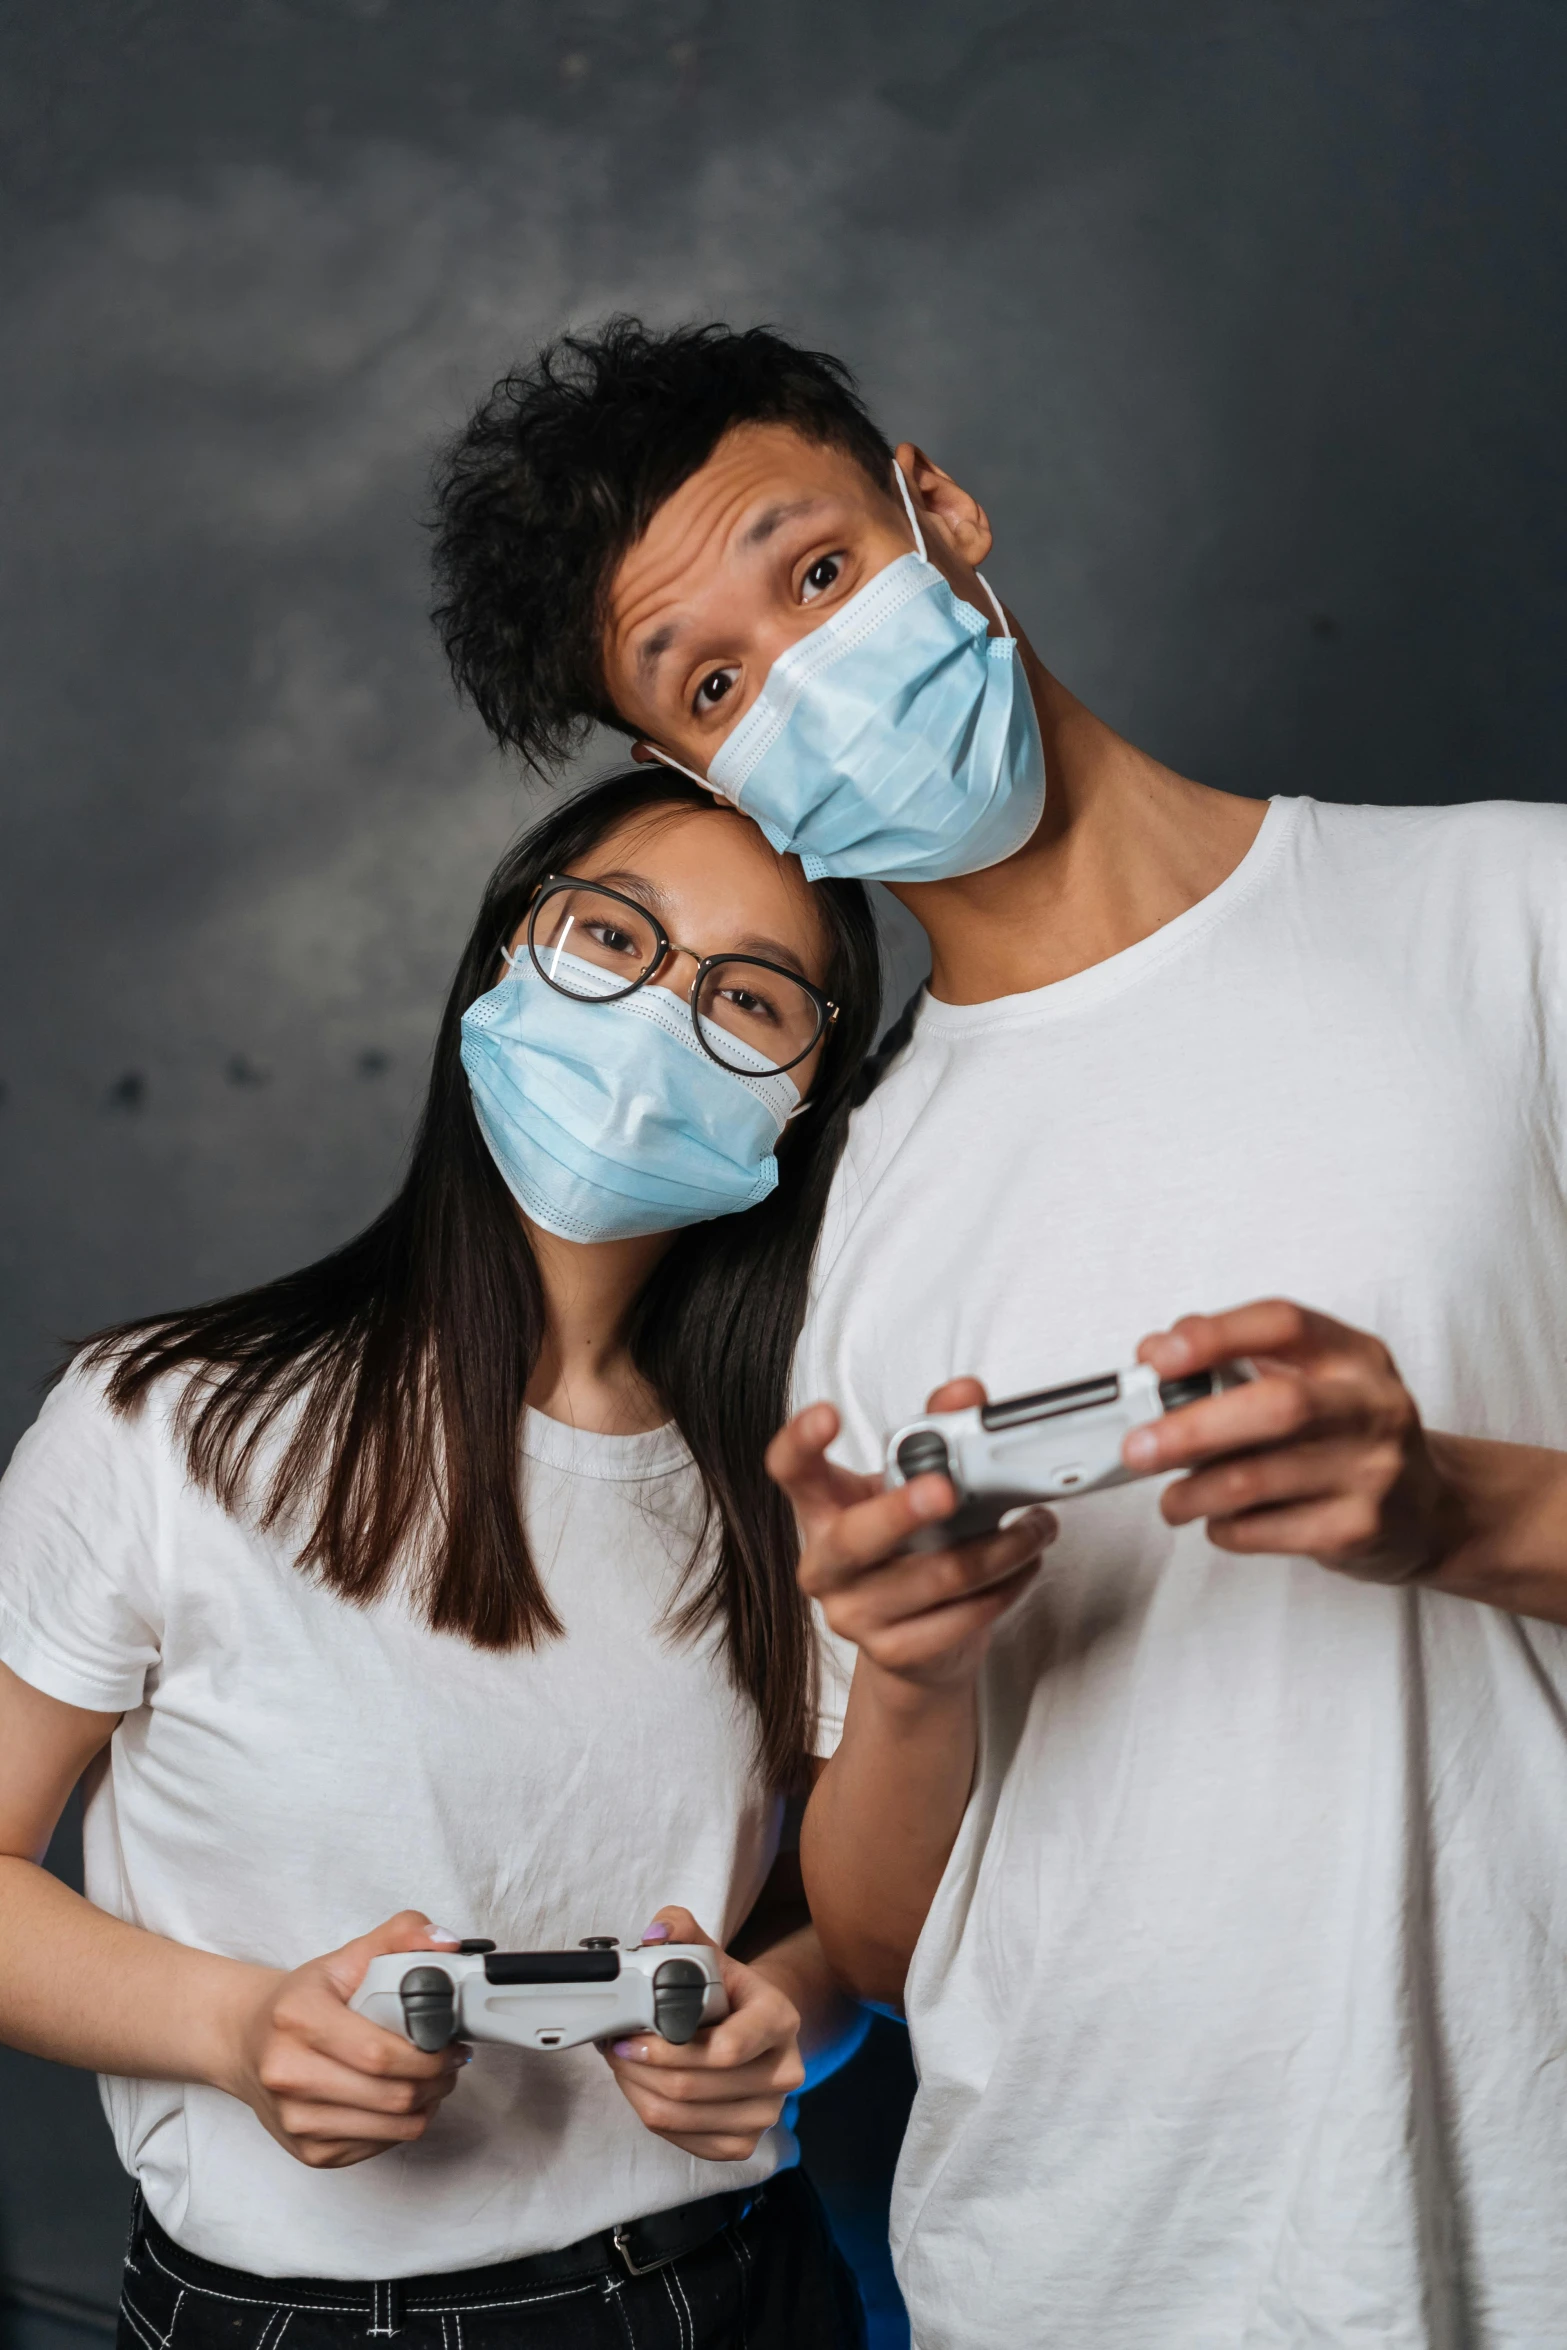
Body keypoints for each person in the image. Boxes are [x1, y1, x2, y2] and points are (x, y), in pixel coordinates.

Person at [426, 317, 1567, 2347]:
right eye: (714, 681)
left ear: (937, 512)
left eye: (816, 570)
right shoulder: (811, 1219)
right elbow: (869, 1934)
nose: (801, 671)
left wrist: (1455, 1507)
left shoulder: (1518, 914)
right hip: (1073, 2272)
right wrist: (918, 1667)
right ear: (702, 769)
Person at [0, 768, 881, 2350]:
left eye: (748, 997)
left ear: (805, 1094)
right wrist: (234, 2025)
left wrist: (793, 2018)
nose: (658, 1016)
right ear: (499, 964)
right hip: (310, 2319)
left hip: (740, 2282)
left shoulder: (803, 1473)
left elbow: (869, 1909)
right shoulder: (167, 1423)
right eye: (612, 935)